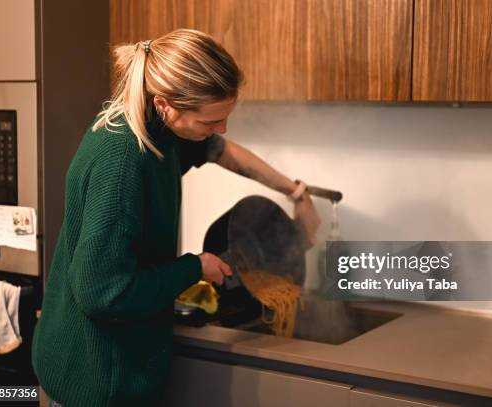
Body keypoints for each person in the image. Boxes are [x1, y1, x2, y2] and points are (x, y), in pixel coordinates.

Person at [31, 29, 320, 407]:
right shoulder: (123, 163)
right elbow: (102, 294)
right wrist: (193, 267)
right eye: (211, 121)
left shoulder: (154, 127)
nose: (221, 129)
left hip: (107, 365)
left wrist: (296, 192)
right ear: (166, 103)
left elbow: (223, 152)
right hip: (99, 380)